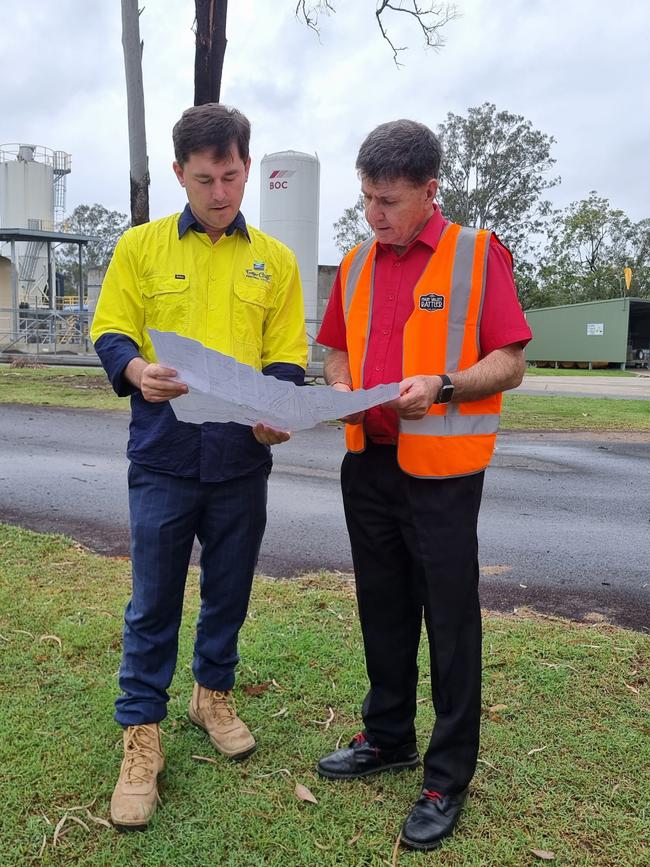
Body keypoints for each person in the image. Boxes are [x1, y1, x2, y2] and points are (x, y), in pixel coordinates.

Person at [316, 119, 532, 852]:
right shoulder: (355, 260)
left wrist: (443, 385)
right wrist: (342, 389)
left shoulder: (477, 254)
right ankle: (388, 736)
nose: (374, 214)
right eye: (367, 197)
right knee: (381, 606)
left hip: (442, 473)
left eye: (388, 200)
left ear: (429, 191)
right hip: (368, 464)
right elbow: (336, 354)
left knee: (449, 621)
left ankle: (446, 774)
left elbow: (509, 360)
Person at [90, 103, 307, 831]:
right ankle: (140, 736)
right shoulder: (140, 247)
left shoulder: (273, 261)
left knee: (228, 591)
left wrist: (281, 407)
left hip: (243, 459)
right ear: (180, 173)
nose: (220, 192)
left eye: (233, 175)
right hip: (163, 454)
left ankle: (211, 692)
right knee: (152, 602)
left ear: (248, 166)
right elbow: (110, 327)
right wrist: (135, 368)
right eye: (205, 178)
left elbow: (286, 354)